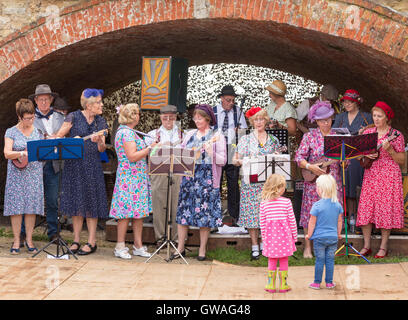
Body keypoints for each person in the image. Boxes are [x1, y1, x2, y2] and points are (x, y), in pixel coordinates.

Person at [56, 88, 109, 255]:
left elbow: (102, 150)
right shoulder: (73, 116)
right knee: (76, 204)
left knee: (91, 204)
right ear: (88, 104)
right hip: (74, 167)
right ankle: (76, 240)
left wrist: (100, 140)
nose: (102, 104)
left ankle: (92, 241)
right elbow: (58, 138)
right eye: (99, 102)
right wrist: (73, 141)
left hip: (92, 166)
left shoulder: (101, 122)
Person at [173, 104, 226, 261]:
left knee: (205, 215)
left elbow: (223, 161)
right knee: (184, 213)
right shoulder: (189, 135)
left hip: (207, 179)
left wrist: (212, 152)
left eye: (200, 118)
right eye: (195, 117)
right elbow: (181, 155)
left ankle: (202, 249)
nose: (196, 120)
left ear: (207, 119)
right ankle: (180, 248)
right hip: (189, 179)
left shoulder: (218, 136)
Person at [356, 101, 405, 258]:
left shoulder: (396, 135)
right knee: (366, 208)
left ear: (387, 118)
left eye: (379, 116)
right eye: (374, 115)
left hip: (389, 174)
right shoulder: (368, 133)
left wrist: (390, 150)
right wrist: (364, 155)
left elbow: (402, 160)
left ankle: (383, 247)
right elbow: (357, 155)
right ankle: (366, 245)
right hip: (371, 174)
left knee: (385, 210)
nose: (376, 119)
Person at [295, 101, 343, 258]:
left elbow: (346, 162)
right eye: (322, 120)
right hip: (314, 182)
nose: (326, 122)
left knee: (332, 213)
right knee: (311, 213)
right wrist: (310, 167)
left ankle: (330, 248)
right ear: (316, 121)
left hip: (333, 180)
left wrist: (344, 160)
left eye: (329, 119)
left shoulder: (338, 137)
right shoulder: (309, 137)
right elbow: (299, 157)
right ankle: (308, 247)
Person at [233, 107, 281, 260]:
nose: (259, 122)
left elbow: (280, 161)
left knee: (267, 215)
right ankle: (254, 246)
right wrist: (243, 161)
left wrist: (277, 156)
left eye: (261, 119)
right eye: (256, 120)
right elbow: (235, 160)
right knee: (252, 215)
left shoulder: (274, 140)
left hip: (268, 184)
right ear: (252, 122)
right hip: (251, 182)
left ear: (266, 120)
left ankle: (265, 244)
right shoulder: (245, 139)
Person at [109, 103, 157, 259]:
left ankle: (138, 245)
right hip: (129, 177)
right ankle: (120, 246)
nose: (139, 116)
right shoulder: (126, 133)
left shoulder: (130, 132)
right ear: (133, 116)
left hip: (137, 177)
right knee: (125, 213)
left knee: (138, 213)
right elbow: (132, 156)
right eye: (137, 114)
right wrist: (150, 148)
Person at [3, 99, 44, 254]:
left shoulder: (38, 132)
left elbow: (42, 151)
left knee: (31, 208)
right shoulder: (11, 131)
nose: (30, 120)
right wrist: (21, 153)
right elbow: (7, 152)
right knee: (16, 208)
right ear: (19, 117)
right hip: (16, 175)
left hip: (33, 173)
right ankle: (16, 241)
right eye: (27, 118)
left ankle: (30, 239)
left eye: (32, 117)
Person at [25, 84, 64, 243]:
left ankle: (53, 233)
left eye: (46, 99)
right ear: (35, 101)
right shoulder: (29, 117)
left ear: (51, 99)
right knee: (30, 199)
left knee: (53, 200)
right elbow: (24, 136)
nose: (43, 102)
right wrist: (44, 139)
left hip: (54, 163)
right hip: (35, 164)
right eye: (40, 100)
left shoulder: (61, 117)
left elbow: (66, 136)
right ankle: (23, 234)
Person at [332, 89, 373, 221]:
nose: (347, 104)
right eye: (345, 102)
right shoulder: (340, 117)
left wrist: (365, 131)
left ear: (357, 103)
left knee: (357, 187)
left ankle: (360, 217)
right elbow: (332, 135)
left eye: (350, 102)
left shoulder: (366, 117)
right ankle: (347, 216)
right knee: (345, 187)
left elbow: (374, 131)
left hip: (359, 157)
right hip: (343, 156)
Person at [147, 105, 182, 248]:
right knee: (159, 203)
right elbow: (147, 154)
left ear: (175, 118)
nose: (168, 120)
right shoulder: (152, 134)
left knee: (176, 204)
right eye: (165, 117)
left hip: (178, 170)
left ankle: (175, 238)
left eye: (171, 118)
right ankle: (161, 237)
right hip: (159, 170)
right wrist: (158, 146)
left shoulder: (183, 134)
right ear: (160, 117)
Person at [212, 85, 248, 224]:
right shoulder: (213, 112)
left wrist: (239, 131)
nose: (231, 103)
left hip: (232, 148)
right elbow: (207, 131)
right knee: (217, 182)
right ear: (221, 99)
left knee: (233, 183)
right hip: (217, 149)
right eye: (228, 100)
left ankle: (234, 216)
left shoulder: (237, 111)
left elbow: (244, 132)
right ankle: (216, 215)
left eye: (233, 100)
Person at [260, 174, 297, 293]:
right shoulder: (286, 202)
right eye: (283, 187)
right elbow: (292, 221)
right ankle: (283, 285)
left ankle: (270, 285)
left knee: (271, 259)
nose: (284, 189)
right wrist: (294, 236)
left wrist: (264, 238)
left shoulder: (263, 204)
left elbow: (262, 223)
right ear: (278, 188)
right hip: (285, 237)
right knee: (284, 259)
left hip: (270, 238)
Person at [306, 174, 343, 290]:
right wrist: (338, 233)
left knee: (320, 260)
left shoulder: (317, 206)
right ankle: (329, 283)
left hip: (319, 239)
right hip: (333, 238)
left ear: (321, 189)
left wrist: (309, 235)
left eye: (317, 187)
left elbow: (312, 222)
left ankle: (317, 283)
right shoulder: (337, 205)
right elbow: (339, 221)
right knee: (330, 260)